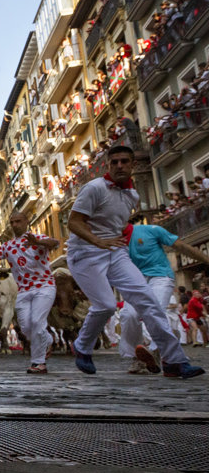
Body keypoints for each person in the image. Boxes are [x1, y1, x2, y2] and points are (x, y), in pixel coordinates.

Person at [67, 145, 203, 379]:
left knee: (148, 301)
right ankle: (82, 346)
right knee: (107, 305)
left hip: (115, 251)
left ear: (133, 165)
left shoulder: (132, 195)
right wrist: (97, 240)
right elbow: (74, 222)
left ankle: (174, 361)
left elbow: (118, 225)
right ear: (108, 165)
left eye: (124, 161)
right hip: (86, 253)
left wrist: (114, 242)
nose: (119, 165)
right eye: (114, 162)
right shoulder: (94, 188)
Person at [0, 211, 59, 374]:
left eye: (18, 221)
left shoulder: (38, 238)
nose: (15, 225)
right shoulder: (7, 246)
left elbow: (54, 243)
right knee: (25, 328)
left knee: (37, 322)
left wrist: (38, 241)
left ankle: (38, 363)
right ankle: (49, 340)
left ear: (26, 221)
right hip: (23, 291)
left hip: (44, 287)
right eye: (12, 222)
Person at [119, 215, 209, 374]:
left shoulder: (150, 230)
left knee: (153, 311)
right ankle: (138, 357)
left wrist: (206, 260)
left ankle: (163, 354)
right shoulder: (109, 243)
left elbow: (182, 247)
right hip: (135, 281)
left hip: (160, 276)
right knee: (128, 315)